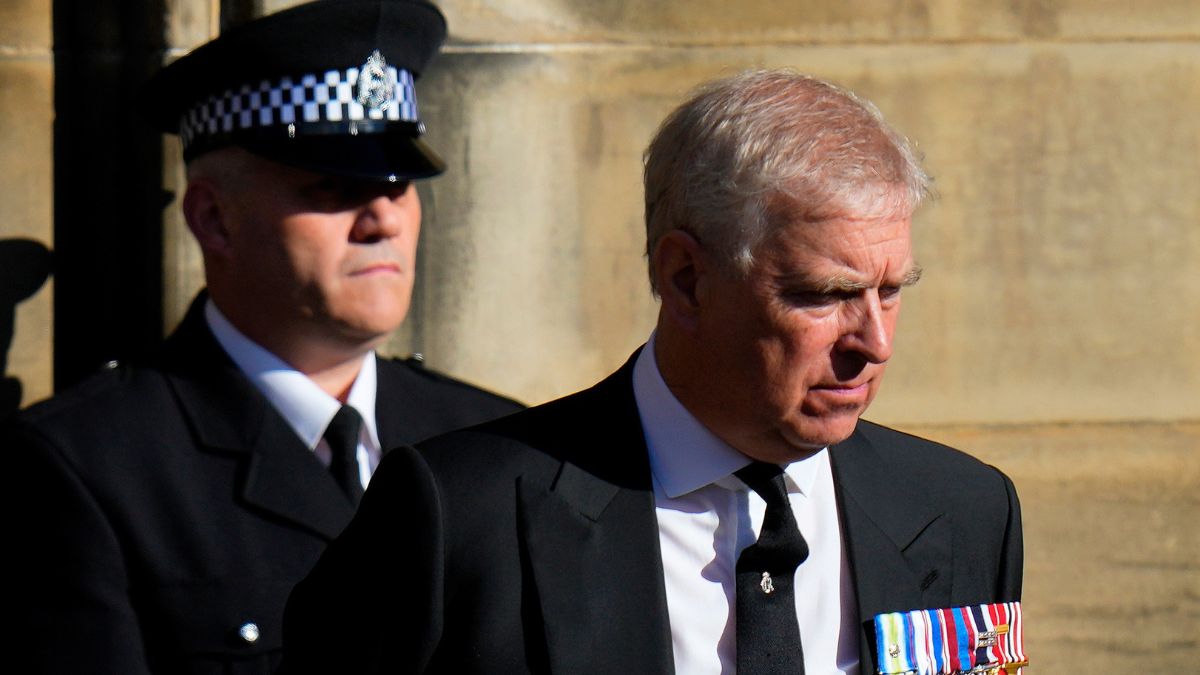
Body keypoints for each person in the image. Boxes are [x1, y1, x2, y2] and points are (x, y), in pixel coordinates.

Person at [279, 69, 1023, 675]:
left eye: (891, 290)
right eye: (823, 295)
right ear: (686, 279)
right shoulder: (462, 517)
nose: (875, 340)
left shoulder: (961, 511)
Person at [2, 1, 521, 673]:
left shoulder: (491, 438)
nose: (383, 217)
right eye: (333, 186)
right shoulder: (87, 469)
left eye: (400, 182)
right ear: (215, 219)